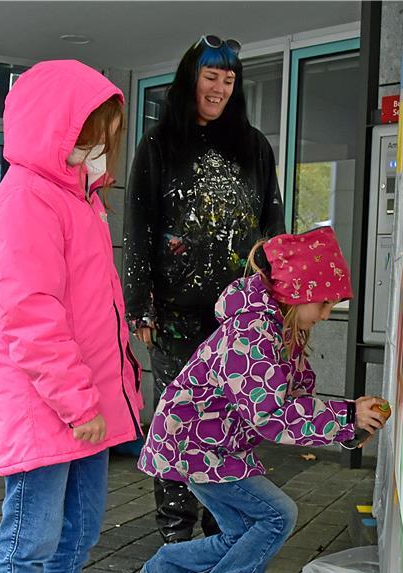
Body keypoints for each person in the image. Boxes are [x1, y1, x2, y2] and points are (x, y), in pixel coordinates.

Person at [0, 60, 143, 573]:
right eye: (98, 128)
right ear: (63, 127)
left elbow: (99, 309)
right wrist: (79, 401)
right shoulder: (26, 201)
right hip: (49, 405)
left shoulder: (78, 198)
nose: (104, 141)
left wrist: (104, 398)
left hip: (84, 406)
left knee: (79, 528)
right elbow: (31, 315)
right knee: (31, 532)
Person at [130, 227, 388, 573]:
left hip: (209, 443)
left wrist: (347, 425)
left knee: (244, 531)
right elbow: (269, 414)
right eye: (324, 302)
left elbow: (295, 397)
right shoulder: (252, 332)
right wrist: (343, 418)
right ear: (296, 292)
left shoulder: (278, 327)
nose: (327, 313)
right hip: (199, 445)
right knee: (275, 516)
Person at [123, 34, 286, 544]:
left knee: (233, 423)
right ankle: (176, 536)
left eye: (228, 79)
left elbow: (273, 228)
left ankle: (224, 532)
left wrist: (280, 301)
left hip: (238, 316)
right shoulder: (159, 144)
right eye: (210, 77)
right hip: (173, 315)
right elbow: (139, 227)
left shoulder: (254, 145)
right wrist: (140, 306)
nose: (219, 88)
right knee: (177, 422)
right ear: (190, 80)